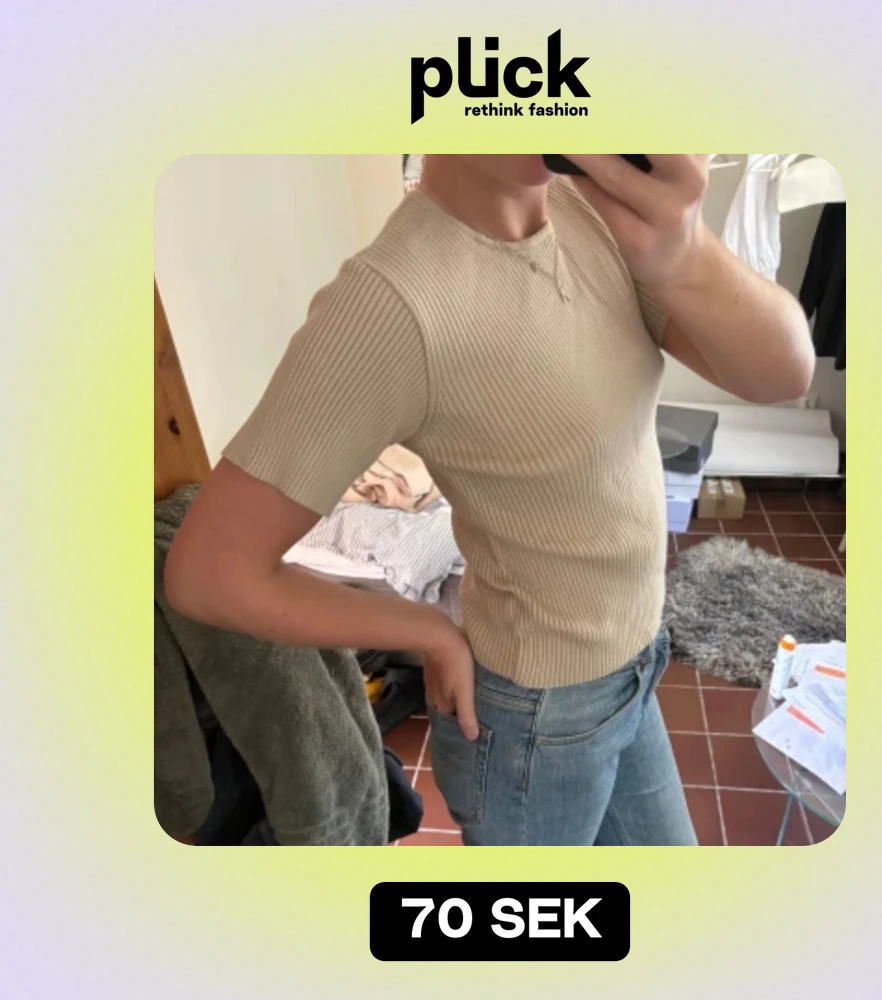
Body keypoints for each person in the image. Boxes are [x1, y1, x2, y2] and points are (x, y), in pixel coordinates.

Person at [164, 155, 815, 846]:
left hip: (636, 663)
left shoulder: (593, 212)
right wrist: (425, 630)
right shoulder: (391, 301)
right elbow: (211, 574)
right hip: (539, 725)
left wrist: (683, 247)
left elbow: (783, 375)